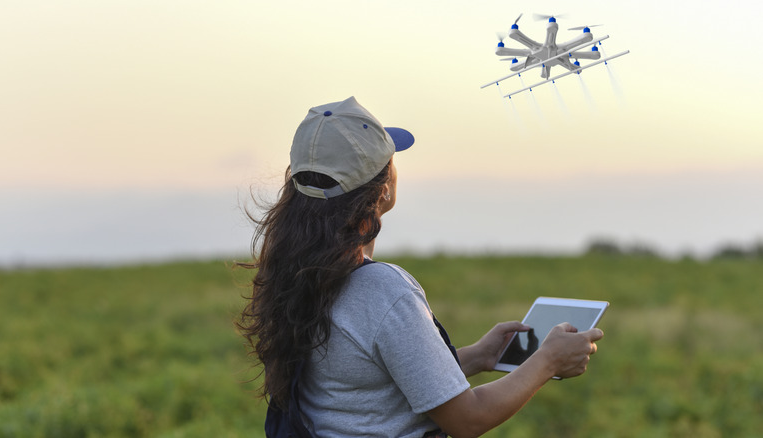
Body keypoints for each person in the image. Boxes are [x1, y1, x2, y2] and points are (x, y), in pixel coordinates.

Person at [239, 96, 604, 438]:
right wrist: (548, 361)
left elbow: (361, 386)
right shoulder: (384, 291)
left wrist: (478, 356)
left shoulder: (294, 277)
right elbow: (468, 418)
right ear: (382, 188)